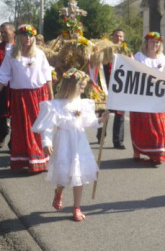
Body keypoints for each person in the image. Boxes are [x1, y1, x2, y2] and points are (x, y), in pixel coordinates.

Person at [32, 69, 108, 221]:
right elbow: (47, 127)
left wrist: (100, 120)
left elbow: (87, 121)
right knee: (65, 174)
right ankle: (59, 191)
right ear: (71, 86)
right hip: (64, 142)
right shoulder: (55, 105)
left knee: (78, 174)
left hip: (79, 142)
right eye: (81, 87)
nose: (83, 90)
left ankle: (76, 207)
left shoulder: (82, 103)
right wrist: (46, 142)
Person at [0, 24, 53, 172]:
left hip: (38, 95)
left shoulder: (39, 54)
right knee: (22, 128)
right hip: (20, 97)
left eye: (30, 36)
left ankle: (39, 158)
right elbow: (3, 75)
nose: (27, 38)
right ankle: (25, 159)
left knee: (38, 127)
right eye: (24, 35)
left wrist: (51, 95)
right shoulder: (11, 54)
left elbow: (47, 75)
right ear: (18, 36)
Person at [130, 32, 165, 165]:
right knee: (142, 126)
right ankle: (138, 151)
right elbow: (133, 74)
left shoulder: (162, 58)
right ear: (146, 43)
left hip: (157, 98)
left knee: (158, 126)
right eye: (152, 42)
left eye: (157, 42)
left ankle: (157, 154)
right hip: (142, 98)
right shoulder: (139, 57)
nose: (155, 44)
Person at [96, 28, 127, 149]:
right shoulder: (106, 50)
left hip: (120, 88)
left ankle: (118, 141)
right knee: (104, 113)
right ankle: (100, 136)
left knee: (120, 115)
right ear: (112, 37)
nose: (118, 38)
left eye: (121, 36)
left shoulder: (126, 51)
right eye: (116, 36)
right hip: (106, 86)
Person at [0, 22, 15, 148]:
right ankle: (2, 134)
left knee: (17, 115)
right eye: (1, 32)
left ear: (13, 32)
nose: (3, 35)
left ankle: (14, 141)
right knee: (1, 114)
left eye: (6, 32)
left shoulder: (21, 48)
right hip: (2, 86)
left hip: (16, 86)